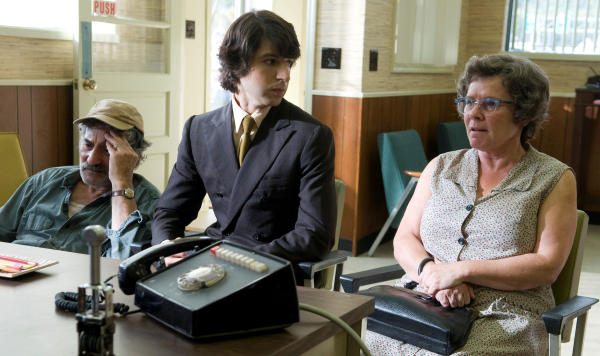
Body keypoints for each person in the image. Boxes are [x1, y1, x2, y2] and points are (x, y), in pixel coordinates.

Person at [367, 54, 578, 355]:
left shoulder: (553, 178)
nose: (473, 113)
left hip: (505, 316)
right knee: (360, 340)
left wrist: (459, 271)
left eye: (490, 104)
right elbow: (405, 237)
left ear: (525, 114)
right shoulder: (440, 167)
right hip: (425, 301)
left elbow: (546, 266)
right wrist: (432, 274)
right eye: (468, 101)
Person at [151, 10, 337, 275]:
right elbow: (170, 210)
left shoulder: (310, 135)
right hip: (208, 263)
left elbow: (315, 234)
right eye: (271, 61)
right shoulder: (199, 129)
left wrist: (232, 260)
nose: (285, 74)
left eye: (288, 62)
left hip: (268, 270)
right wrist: (168, 247)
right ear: (237, 65)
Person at [0, 99, 161, 259]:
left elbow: (122, 261)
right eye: (88, 145)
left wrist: (121, 184)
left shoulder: (148, 201)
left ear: (133, 156)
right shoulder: (44, 181)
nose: (92, 160)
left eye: (107, 150)